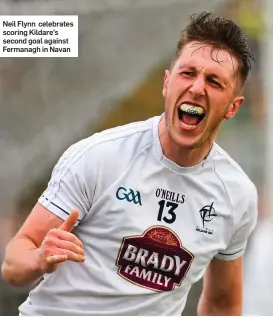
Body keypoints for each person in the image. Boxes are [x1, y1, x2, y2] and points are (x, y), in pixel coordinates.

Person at [1, 12, 258, 316]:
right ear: (167, 83)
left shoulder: (237, 195)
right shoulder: (99, 156)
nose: (198, 88)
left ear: (232, 107)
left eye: (214, 81)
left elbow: (222, 304)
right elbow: (13, 265)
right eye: (188, 73)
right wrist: (38, 259)